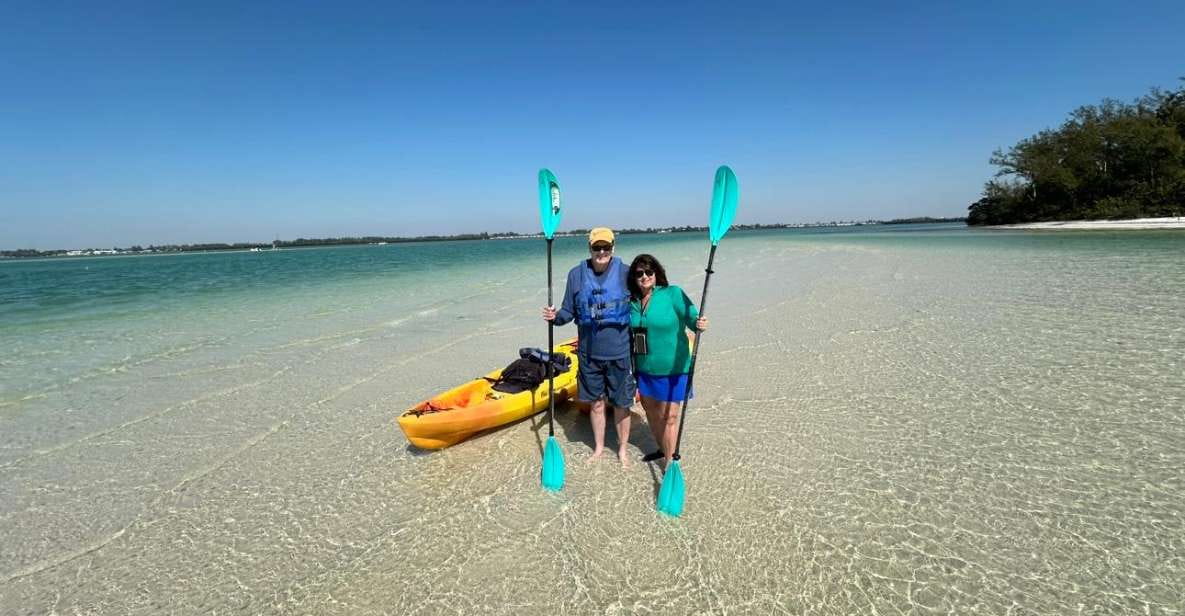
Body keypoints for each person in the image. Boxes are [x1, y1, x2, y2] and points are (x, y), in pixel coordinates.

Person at [542, 228, 636, 466]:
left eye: (606, 247)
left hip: (621, 352)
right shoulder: (576, 275)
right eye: (597, 247)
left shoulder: (627, 273)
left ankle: (623, 450)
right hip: (589, 354)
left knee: (622, 405)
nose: (601, 251)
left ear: (613, 248)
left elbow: (646, 300)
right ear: (590, 248)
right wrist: (555, 317)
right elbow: (567, 312)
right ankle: (599, 448)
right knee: (595, 403)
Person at [627, 254, 708, 465]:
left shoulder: (673, 294)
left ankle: (672, 464)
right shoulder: (632, 303)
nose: (644, 276)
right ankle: (664, 449)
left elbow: (692, 318)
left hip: (674, 368)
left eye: (649, 272)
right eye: (639, 273)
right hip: (644, 369)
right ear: (634, 278)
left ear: (657, 273)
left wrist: (699, 322)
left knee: (670, 418)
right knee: (651, 412)